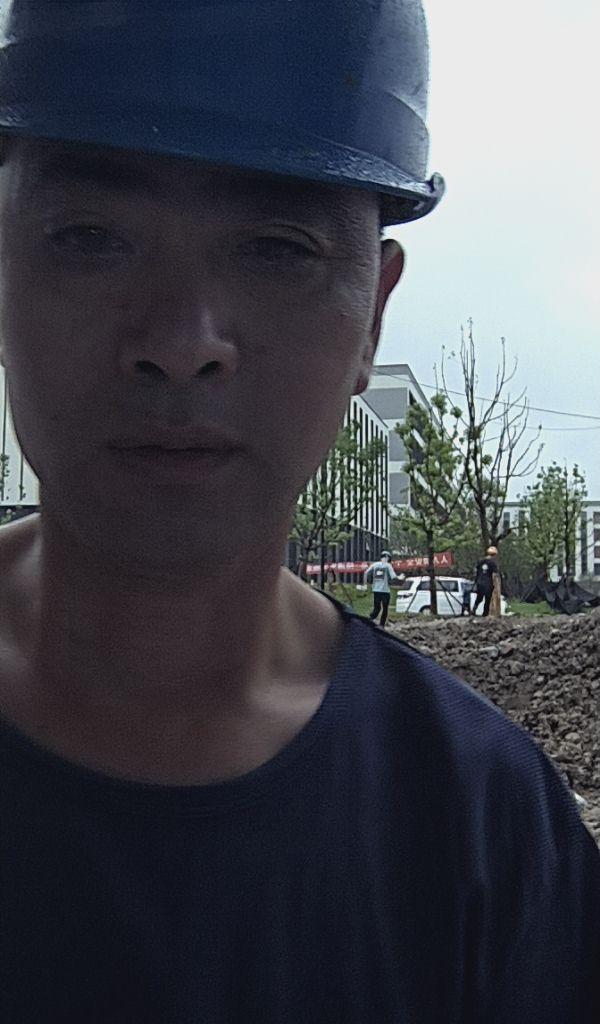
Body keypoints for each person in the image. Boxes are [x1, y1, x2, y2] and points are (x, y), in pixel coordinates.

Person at [0, 3, 598, 1022]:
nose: (182, 342)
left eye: (277, 248)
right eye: (91, 237)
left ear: (373, 317)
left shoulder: (483, 834)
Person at [364, 550, 397, 628]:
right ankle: (381, 625)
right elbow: (394, 577)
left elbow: (366, 573)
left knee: (377, 608)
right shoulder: (388, 565)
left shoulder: (374, 565)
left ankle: (369, 620)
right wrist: (400, 577)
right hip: (385, 591)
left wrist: (366, 583)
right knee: (385, 609)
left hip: (376, 590)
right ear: (387, 557)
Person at [472, 545, 500, 617]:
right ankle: (485, 614)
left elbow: (475, 570)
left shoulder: (481, 561)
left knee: (479, 597)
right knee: (488, 599)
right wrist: (496, 585)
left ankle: (473, 610)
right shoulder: (493, 563)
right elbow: (494, 574)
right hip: (488, 583)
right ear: (494, 555)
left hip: (479, 582)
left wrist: (476, 580)